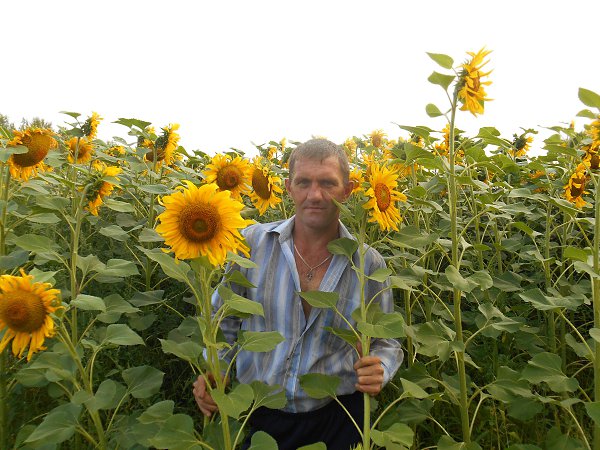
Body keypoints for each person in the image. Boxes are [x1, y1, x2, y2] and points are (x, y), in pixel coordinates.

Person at [193, 138, 403, 449]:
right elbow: (223, 320)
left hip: (339, 416)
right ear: (289, 187)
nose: (314, 195)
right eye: (304, 182)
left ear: (348, 190)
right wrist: (216, 369)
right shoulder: (251, 244)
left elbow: (387, 341)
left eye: (327, 183)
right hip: (259, 412)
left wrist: (380, 368)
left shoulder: (368, 264)